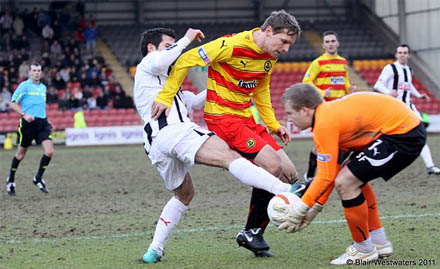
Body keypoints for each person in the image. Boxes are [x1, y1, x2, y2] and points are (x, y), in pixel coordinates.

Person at [135, 27, 303, 264]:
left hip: (155, 144)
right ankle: (286, 191)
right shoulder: (148, 64)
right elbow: (167, 58)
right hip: (173, 132)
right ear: (152, 48)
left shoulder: (164, 84)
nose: (172, 49)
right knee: (228, 156)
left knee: (184, 194)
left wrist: (226, 81)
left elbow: (193, 102)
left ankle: (154, 250)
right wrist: (185, 39)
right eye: (167, 45)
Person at [274, 83, 425, 265]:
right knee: (351, 179)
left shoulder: (325, 123)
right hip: (397, 130)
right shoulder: (328, 115)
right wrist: (315, 207)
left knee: (347, 182)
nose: (289, 119)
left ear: (305, 110)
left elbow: (327, 177)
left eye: (290, 113)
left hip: (403, 135)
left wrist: (300, 210)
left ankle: (363, 250)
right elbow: (330, 171)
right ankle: (379, 243)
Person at [374, 44, 440, 175]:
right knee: (389, 137)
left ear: (409, 55)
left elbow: (408, 85)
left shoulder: (409, 70)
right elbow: (378, 84)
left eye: (404, 52)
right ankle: (379, 164)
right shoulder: (390, 68)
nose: (402, 55)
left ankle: (430, 166)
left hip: (409, 107)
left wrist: (418, 95)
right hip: (395, 108)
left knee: (420, 134)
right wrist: (388, 92)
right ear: (396, 54)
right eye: (400, 52)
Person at [302, 31, 355, 181]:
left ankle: (332, 173)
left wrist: (349, 89)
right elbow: (306, 82)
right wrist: (321, 92)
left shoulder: (343, 62)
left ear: (337, 43)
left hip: (339, 109)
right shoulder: (318, 63)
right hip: (323, 108)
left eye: (333, 41)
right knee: (319, 145)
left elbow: (344, 82)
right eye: (328, 41)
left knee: (340, 143)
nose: (330, 44)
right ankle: (310, 174)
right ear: (323, 45)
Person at [6, 62, 53, 196]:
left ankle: (38, 178)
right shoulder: (24, 86)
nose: (37, 72)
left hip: (42, 123)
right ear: (29, 73)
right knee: (20, 155)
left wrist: (47, 120)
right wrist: (24, 114)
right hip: (27, 125)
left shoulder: (43, 88)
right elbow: (13, 103)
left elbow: (39, 107)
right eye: (34, 70)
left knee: (49, 152)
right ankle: (11, 180)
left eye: (39, 70)